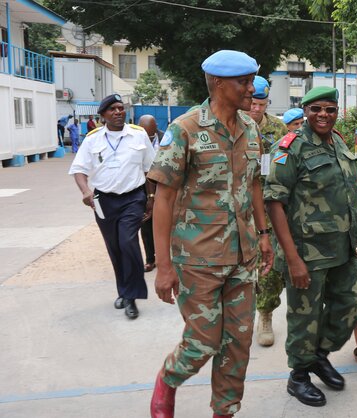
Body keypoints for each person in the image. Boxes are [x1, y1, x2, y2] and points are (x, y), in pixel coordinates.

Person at [148, 50, 273, 418]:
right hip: (198, 258)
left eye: (252, 81)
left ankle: (225, 411)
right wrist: (164, 266)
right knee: (204, 340)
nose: (251, 89)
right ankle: (168, 380)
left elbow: (254, 186)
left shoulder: (250, 129)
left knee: (238, 345)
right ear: (218, 83)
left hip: (243, 256)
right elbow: (163, 198)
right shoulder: (185, 129)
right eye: (243, 82)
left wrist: (263, 235)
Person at [264, 86, 357, 407]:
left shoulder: (339, 142)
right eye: (317, 109)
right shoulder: (289, 147)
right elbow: (274, 202)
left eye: (330, 109)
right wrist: (292, 259)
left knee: (351, 303)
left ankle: (319, 356)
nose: (324, 115)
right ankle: (299, 376)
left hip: (342, 249)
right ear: (305, 110)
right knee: (304, 318)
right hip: (306, 253)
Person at [68, 94, 155, 320]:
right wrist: (85, 191)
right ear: (103, 115)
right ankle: (123, 291)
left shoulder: (138, 135)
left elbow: (150, 169)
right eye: (112, 109)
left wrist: (151, 197)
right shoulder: (92, 139)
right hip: (103, 200)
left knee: (128, 242)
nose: (118, 112)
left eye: (121, 108)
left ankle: (132, 297)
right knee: (114, 246)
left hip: (133, 198)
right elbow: (79, 170)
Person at [246, 75, 288, 348]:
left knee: (269, 269)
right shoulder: (229, 125)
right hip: (237, 209)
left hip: (269, 207)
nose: (257, 109)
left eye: (262, 104)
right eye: (253, 103)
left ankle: (265, 315)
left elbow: (285, 166)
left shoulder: (280, 129)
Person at [137, 115, 164, 272]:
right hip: (143, 186)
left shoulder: (167, 137)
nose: (148, 138)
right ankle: (150, 259)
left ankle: (166, 256)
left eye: (151, 135)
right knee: (146, 223)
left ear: (156, 128)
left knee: (166, 221)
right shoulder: (134, 139)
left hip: (163, 185)